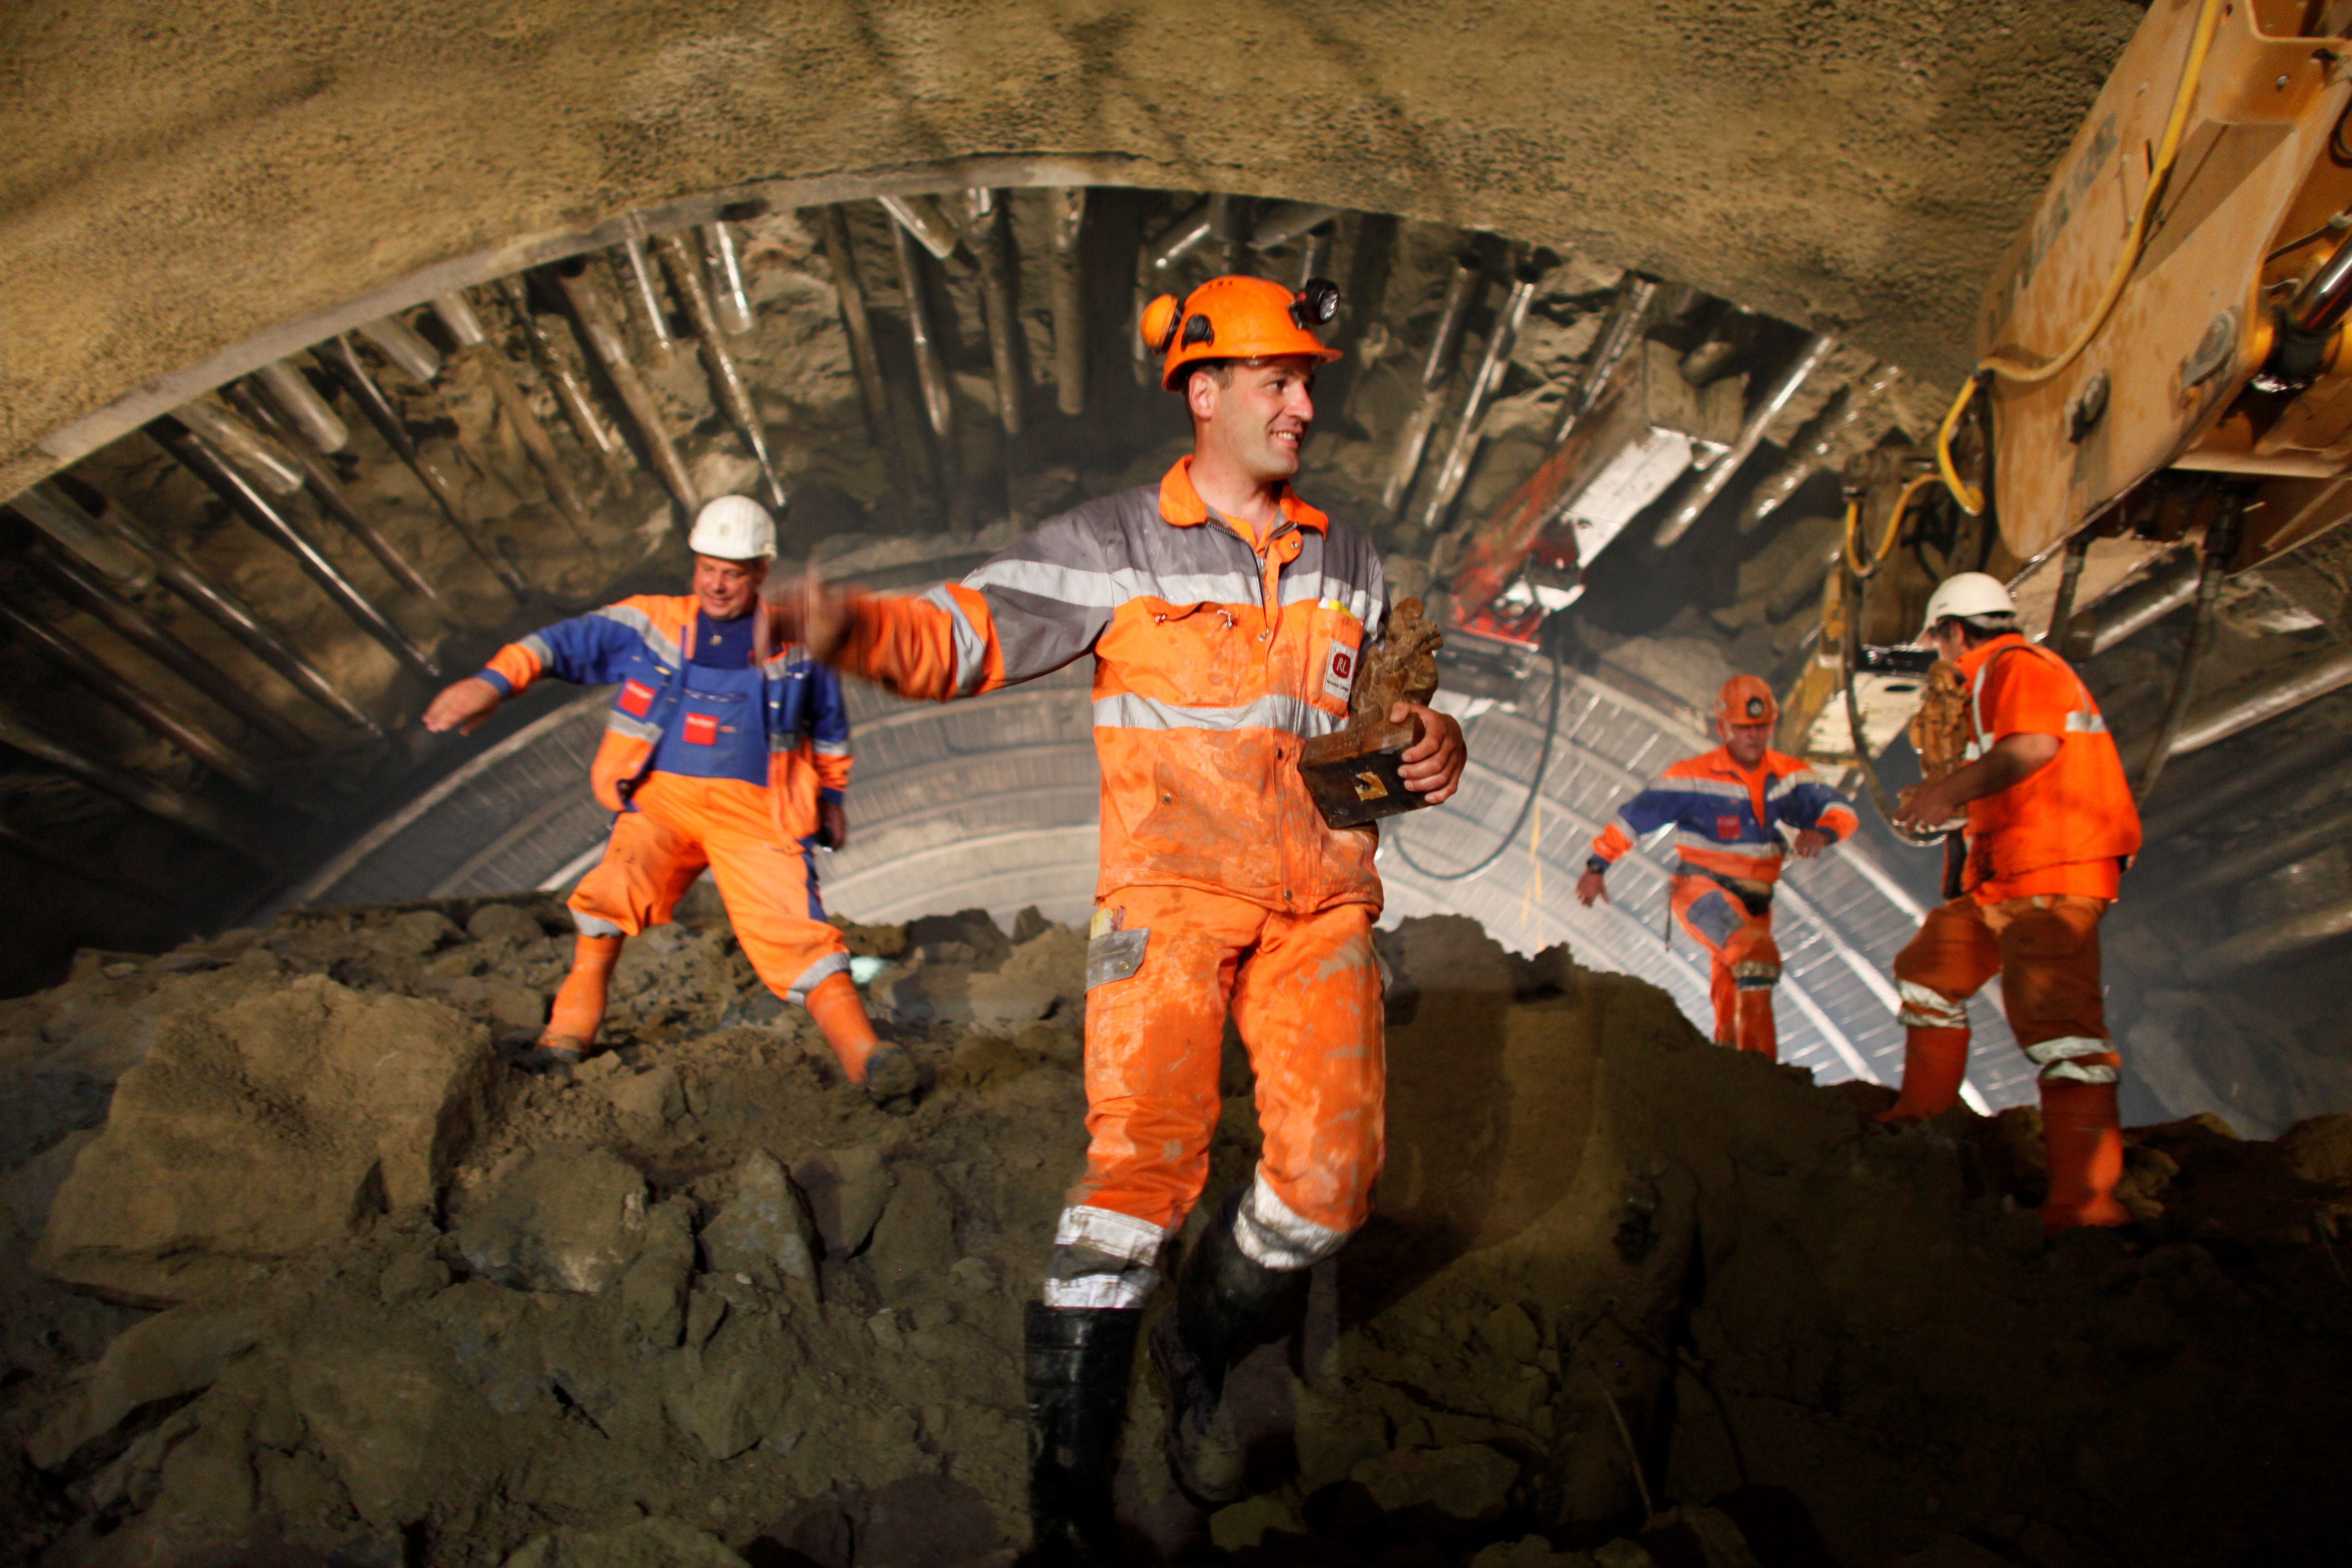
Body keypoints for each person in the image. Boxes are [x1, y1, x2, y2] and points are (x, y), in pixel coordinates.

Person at [771, 275, 1468, 1560]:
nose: (1304, 403)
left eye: (1309, 381)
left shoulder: (1347, 556)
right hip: (1170, 904)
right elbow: (959, 642)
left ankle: (1199, 1345)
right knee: (1132, 1186)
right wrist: (848, 627)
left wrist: (1434, 743)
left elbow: (1378, 715)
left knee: (1327, 1191)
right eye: (1277, 381)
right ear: (1203, 394)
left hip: (1322, 908)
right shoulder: (1110, 546)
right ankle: (1070, 1503)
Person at [420, 495, 913, 1105]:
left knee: (797, 934)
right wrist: (492, 682)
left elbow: (829, 727)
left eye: (733, 573)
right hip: (663, 803)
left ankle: (869, 1058)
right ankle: (566, 1036)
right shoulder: (650, 623)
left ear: (761, 573)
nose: (717, 584)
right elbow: (560, 643)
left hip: (758, 813)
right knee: (608, 900)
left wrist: (832, 796)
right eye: (707, 568)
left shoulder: (798, 645)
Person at [1886, 572, 2141, 1234]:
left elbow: (2032, 749)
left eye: (1938, 641)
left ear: (1955, 631)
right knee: (1929, 971)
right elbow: (2002, 774)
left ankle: (2086, 1205)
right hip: (2005, 876)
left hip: (2053, 873)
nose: (1939, 657)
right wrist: (1941, 808)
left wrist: (1945, 795)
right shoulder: (1984, 688)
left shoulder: (2019, 665)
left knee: (2061, 1033)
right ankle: (1923, 1120)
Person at [1574, 676, 1857, 1059]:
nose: (1753, 737)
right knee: (1755, 956)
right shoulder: (1694, 776)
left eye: (1761, 727)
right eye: (1743, 728)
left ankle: (1728, 1071)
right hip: (1702, 892)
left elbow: (1840, 809)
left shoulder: (1787, 776)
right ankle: (1761, 1078)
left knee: (1733, 987)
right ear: (1723, 728)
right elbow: (1634, 819)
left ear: (1772, 726)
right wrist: (1597, 867)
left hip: (1756, 903)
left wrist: (1824, 833)